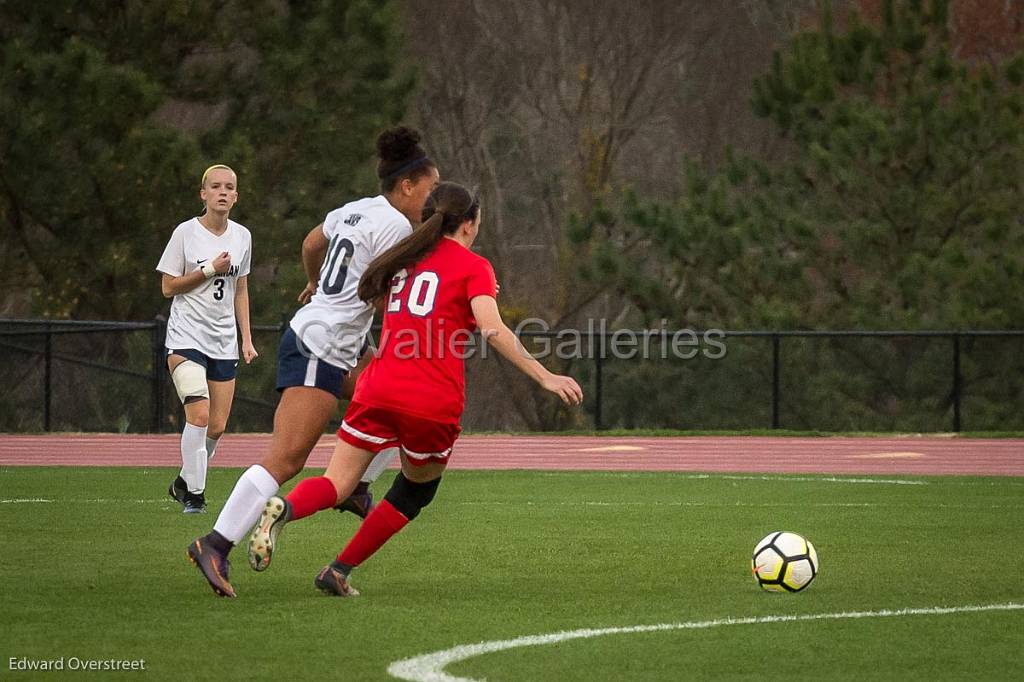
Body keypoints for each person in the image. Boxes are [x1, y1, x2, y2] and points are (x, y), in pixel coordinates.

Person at [248, 181, 583, 597]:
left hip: (378, 386)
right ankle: (338, 569)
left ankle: (287, 507)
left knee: (337, 483)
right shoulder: (475, 266)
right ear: (470, 223)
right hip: (431, 399)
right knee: (415, 491)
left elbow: (381, 301)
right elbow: (492, 329)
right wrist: (545, 375)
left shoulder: (402, 260)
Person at [187, 127, 440, 597]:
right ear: (407, 186)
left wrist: (316, 284)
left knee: (403, 397)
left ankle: (357, 486)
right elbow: (384, 293)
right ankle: (214, 543)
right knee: (286, 459)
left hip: (330, 341)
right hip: (319, 346)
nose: (430, 201)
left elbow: (309, 244)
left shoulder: (354, 208)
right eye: (429, 189)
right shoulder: (400, 227)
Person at [157, 164, 257, 514]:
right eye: (215, 187)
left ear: (236, 196)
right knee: (198, 416)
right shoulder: (185, 233)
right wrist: (208, 269)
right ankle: (195, 496)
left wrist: (246, 338)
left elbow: (240, 288)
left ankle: (183, 481)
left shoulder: (242, 236)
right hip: (186, 338)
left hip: (223, 341)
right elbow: (168, 287)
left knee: (217, 425)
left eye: (229, 187)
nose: (223, 192)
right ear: (203, 194)